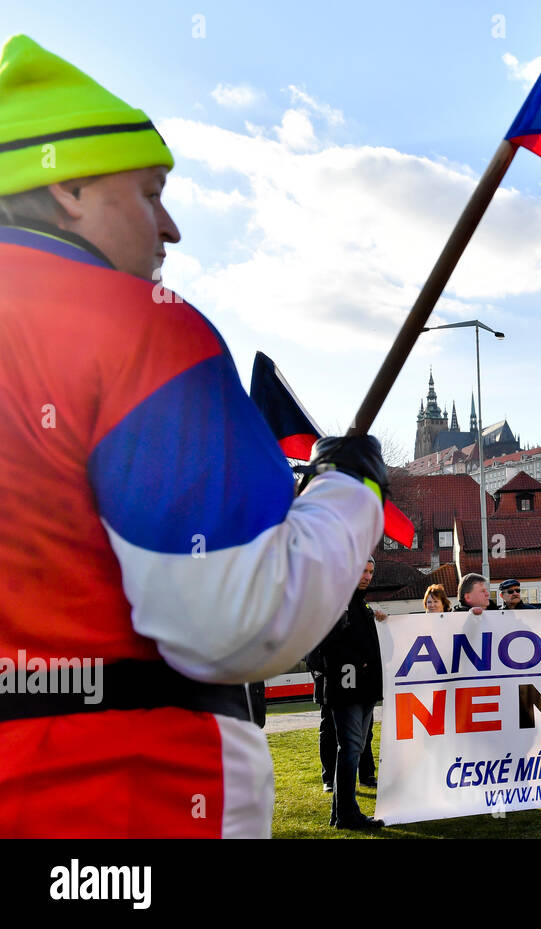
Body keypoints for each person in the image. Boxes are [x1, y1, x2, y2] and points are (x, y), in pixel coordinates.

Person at [0, 36, 385, 837]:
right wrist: (351, 494)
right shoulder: (132, 328)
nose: (170, 226)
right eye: (149, 192)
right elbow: (238, 619)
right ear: (65, 185)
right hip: (129, 795)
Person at [307, 558, 388, 830]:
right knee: (351, 749)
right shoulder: (335, 604)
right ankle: (347, 814)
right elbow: (323, 646)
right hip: (347, 691)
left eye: (370, 572)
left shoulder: (360, 606)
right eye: (361, 571)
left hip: (364, 691)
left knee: (354, 748)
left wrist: (379, 621)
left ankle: (342, 813)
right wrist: (357, 661)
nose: (366, 576)